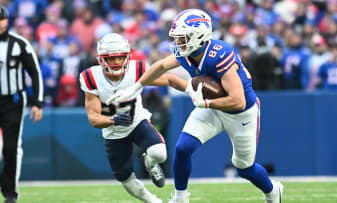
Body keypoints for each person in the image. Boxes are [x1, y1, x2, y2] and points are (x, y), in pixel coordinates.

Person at [107, 9, 283, 203]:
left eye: (183, 38)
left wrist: (207, 102)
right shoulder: (187, 52)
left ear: (198, 36)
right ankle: (181, 198)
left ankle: (272, 191)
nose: (178, 43)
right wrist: (136, 87)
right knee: (183, 148)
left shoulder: (219, 54)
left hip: (241, 113)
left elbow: (238, 100)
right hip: (212, 108)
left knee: (244, 167)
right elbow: (161, 66)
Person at [79, 33, 187, 203]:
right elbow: (93, 118)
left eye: (120, 58)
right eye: (111, 58)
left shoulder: (136, 70)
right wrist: (112, 120)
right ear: (101, 59)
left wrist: (193, 91)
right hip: (113, 132)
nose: (116, 63)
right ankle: (155, 202)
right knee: (126, 180)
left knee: (159, 153)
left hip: (137, 122)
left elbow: (169, 80)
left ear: (127, 56)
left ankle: (150, 163)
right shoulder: (91, 77)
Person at [0, 6, 44, 203]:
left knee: (10, 148)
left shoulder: (19, 44)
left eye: (1, 19)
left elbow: (34, 72)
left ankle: (10, 193)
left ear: (6, 20)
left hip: (13, 101)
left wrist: (38, 103)